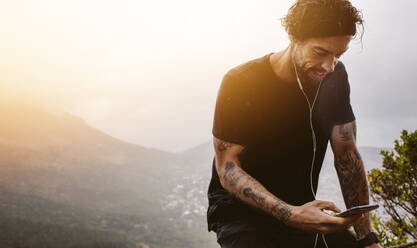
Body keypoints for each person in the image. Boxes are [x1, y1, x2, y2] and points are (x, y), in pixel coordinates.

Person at [207, 0, 382, 247]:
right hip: (242, 215)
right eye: (320, 52)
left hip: (302, 208)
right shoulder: (240, 81)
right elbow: (228, 168)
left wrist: (367, 239)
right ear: (293, 37)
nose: (329, 66)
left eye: (338, 55)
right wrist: (291, 215)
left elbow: (347, 156)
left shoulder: (335, 78)